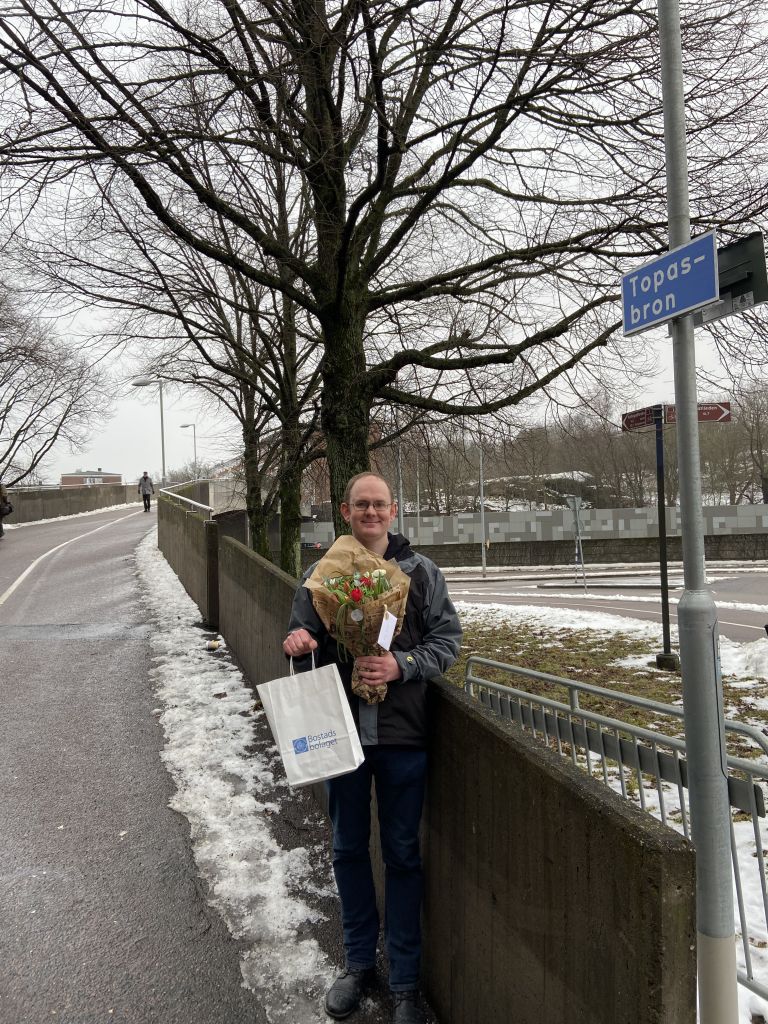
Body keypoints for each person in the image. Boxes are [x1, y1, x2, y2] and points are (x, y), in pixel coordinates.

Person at [283, 472, 461, 1024]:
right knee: (347, 848)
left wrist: (400, 664)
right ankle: (359, 964)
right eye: (361, 505)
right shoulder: (321, 574)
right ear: (346, 510)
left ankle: (405, 981)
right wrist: (299, 641)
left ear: (393, 510)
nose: (370, 513)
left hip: (403, 736)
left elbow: (447, 642)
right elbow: (300, 636)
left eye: (379, 505)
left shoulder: (422, 573)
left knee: (403, 855)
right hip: (341, 733)